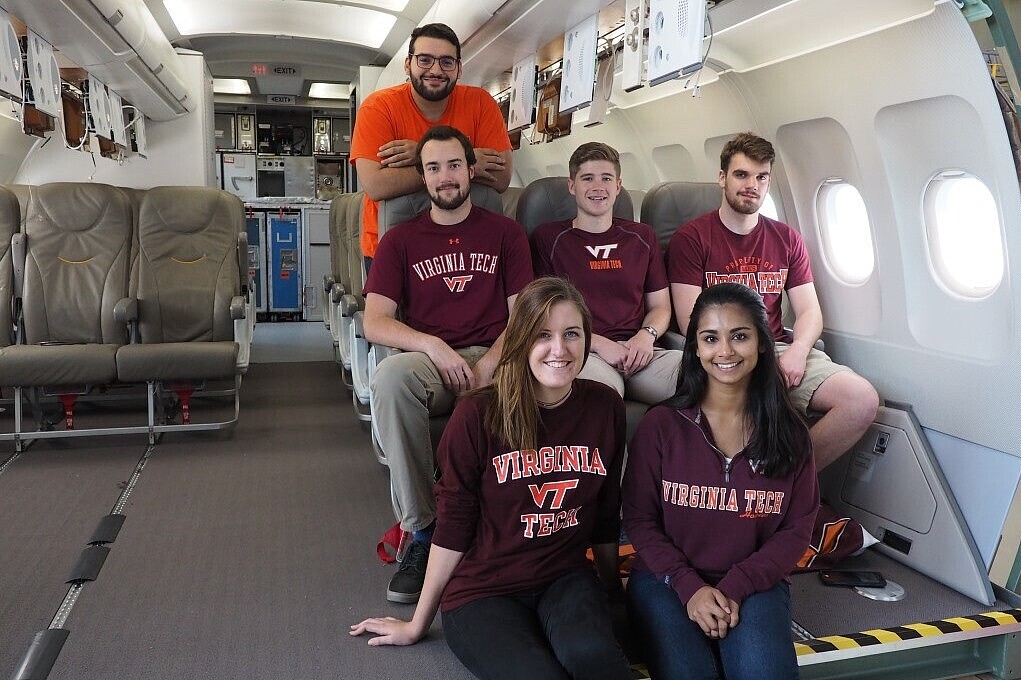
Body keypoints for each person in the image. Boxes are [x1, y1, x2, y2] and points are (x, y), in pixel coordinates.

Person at [351, 277, 633, 680]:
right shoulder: (476, 416)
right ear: (519, 341)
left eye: (572, 334)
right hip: (483, 591)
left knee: (596, 661)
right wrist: (417, 623)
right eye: (542, 335)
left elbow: (606, 511)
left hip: (564, 578)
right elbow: (452, 528)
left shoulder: (605, 406)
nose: (560, 349)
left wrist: (612, 590)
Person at [362, 125, 532, 604]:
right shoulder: (399, 241)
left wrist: (488, 367)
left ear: (471, 170)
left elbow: (523, 316)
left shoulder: (506, 233)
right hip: (431, 359)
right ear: (422, 177)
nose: (445, 177)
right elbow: (375, 322)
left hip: (497, 353)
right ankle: (422, 533)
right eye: (433, 168)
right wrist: (434, 347)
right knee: (390, 378)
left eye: (454, 165)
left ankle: (515, 531)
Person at [623, 282, 819, 680]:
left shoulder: (791, 434)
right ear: (695, 347)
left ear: (763, 344)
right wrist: (689, 587)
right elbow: (639, 520)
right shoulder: (661, 426)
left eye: (740, 336)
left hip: (754, 583)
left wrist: (736, 586)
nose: (725, 351)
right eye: (710, 338)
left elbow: (796, 531)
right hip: (665, 581)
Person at [668, 132, 879, 470]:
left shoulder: (786, 239)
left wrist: (797, 352)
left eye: (761, 177)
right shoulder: (691, 239)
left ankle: (788, 482)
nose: (752, 184)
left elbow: (809, 311)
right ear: (722, 178)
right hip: (724, 350)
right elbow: (690, 320)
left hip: (777, 349)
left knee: (861, 400)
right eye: (741, 175)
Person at [350, 22, 513, 267]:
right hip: (391, 246)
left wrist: (419, 154)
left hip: (470, 245)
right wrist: (463, 163)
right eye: (424, 60)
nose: (435, 70)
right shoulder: (379, 108)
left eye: (446, 62)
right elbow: (376, 185)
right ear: (408, 64)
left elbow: (501, 178)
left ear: (459, 68)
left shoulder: (481, 104)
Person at [530, 142, 682, 404]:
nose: (598, 187)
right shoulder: (550, 238)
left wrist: (646, 337)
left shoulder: (642, 237)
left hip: (641, 351)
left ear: (618, 186)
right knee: (601, 399)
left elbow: (660, 306)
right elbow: (543, 312)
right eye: (587, 178)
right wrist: (599, 344)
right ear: (572, 186)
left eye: (606, 178)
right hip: (583, 351)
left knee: (704, 376)